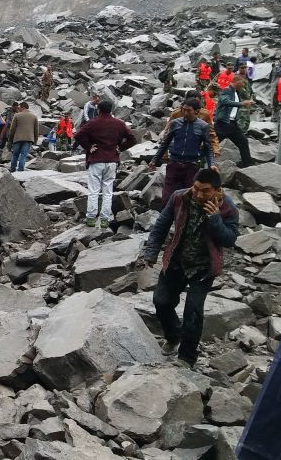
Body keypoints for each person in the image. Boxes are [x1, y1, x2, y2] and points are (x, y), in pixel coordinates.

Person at [141, 168, 239, 366]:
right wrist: (151, 252)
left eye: (205, 191)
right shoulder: (180, 197)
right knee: (161, 301)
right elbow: (161, 224)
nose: (199, 194)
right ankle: (173, 335)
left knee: (193, 312)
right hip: (177, 259)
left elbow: (229, 240)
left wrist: (215, 219)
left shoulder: (228, 208)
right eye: (196, 189)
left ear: (217, 190)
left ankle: (187, 358)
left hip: (203, 267)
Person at [74, 99, 137, 228]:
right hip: (112, 160)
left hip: (96, 159)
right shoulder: (119, 123)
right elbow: (132, 138)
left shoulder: (93, 123)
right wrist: (121, 148)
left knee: (93, 191)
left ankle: (91, 218)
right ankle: (104, 220)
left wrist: (89, 147)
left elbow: (78, 135)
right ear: (111, 110)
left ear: (99, 110)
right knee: (108, 192)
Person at [149, 98, 216, 206]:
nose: (185, 113)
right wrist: (154, 160)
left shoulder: (203, 126)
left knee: (187, 198)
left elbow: (208, 147)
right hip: (174, 164)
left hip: (191, 166)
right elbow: (165, 143)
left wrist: (211, 164)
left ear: (197, 111)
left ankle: (181, 220)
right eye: (183, 110)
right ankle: (165, 219)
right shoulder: (175, 123)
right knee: (167, 196)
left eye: (188, 110)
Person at [215, 75, 255, 168]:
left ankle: (247, 164)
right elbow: (225, 101)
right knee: (212, 144)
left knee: (243, 141)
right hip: (223, 123)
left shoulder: (236, 92)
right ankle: (198, 160)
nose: (243, 85)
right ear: (236, 81)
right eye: (242, 83)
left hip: (232, 124)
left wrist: (246, 103)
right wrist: (242, 104)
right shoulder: (227, 90)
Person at [164, 90, 220, 157]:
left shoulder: (204, 114)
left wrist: (215, 149)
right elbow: (167, 133)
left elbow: (211, 134)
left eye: (197, 103)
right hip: (178, 147)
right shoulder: (177, 114)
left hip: (197, 147)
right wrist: (164, 154)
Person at [7, 102, 39, 172]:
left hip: (17, 139)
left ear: (23, 107)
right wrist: (35, 141)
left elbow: (12, 129)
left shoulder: (17, 115)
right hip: (28, 139)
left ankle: (12, 169)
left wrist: (10, 139)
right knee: (23, 155)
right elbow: (36, 130)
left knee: (15, 155)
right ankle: (21, 170)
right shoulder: (34, 116)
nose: (18, 109)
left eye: (19, 108)